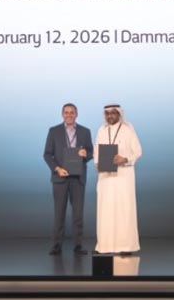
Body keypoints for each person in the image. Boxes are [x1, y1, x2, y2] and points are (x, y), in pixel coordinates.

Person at [43, 103, 93, 255]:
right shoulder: (54, 131)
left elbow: (91, 152)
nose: (69, 115)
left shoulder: (85, 131)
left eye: (72, 112)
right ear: (62, 114)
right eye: (66, 112)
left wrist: (86, 154)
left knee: (78, 214)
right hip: (60, 178)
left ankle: (78, 246)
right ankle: (56, 245)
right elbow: (47, 154)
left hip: (78, 178)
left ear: (76, 114)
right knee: (59, 213)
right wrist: (57, 169)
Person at [94, 104, 142, 254]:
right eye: (107, 113)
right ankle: (104, 246)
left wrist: (125, 159)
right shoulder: (102, 130)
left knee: (124, 210)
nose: (110, 116)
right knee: (105, 211)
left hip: (123, 177)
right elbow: (96, 151)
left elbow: (138, 151)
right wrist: (98, 163)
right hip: (105, 177)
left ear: (119, 114)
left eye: (113, 113)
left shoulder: (128, 129)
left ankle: (126, 247)